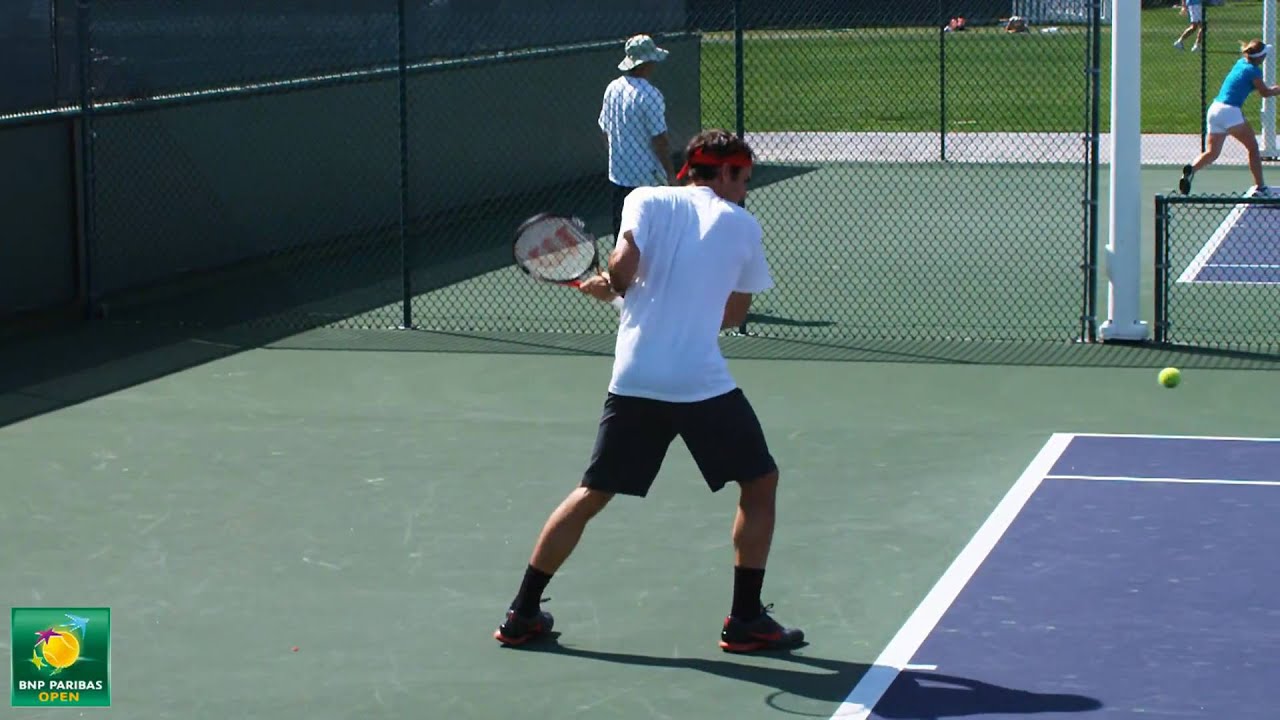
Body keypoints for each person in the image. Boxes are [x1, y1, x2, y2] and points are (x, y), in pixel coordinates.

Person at [493, 129, 804, 654]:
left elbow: (624, 268)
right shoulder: (743, 226)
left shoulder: (644, 198)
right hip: (700, 383)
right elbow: (732, 315)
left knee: (593, 492)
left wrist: (614, 291)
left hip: (635, 379)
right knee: (760, 481)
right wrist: (669, 301)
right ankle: (746, 619)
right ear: (723, 171)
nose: (745, 190)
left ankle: (522, 613)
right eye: (743, 179)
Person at [599, 34, 678, 240]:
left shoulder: (612, 88)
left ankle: (622, 272)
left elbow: (605, 132)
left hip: (618, 176)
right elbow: (659, 140)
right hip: (647, 181)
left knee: (623, 237)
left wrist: (617, 158)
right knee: (651, 238)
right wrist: (671, 174)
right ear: (646, 63)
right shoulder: (651, 95)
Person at [1180, 41, 1280, 196]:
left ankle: (1191, 169)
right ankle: (1260, 188)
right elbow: (1265, 92)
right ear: (1260, 57)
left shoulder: (1241, 63)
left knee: (1212, 153)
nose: (1266, 55)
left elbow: (1244, 84)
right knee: (1253, 148)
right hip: (1229, 111)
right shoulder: (1254, 71)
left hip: (1214, 110)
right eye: (1264, 53)